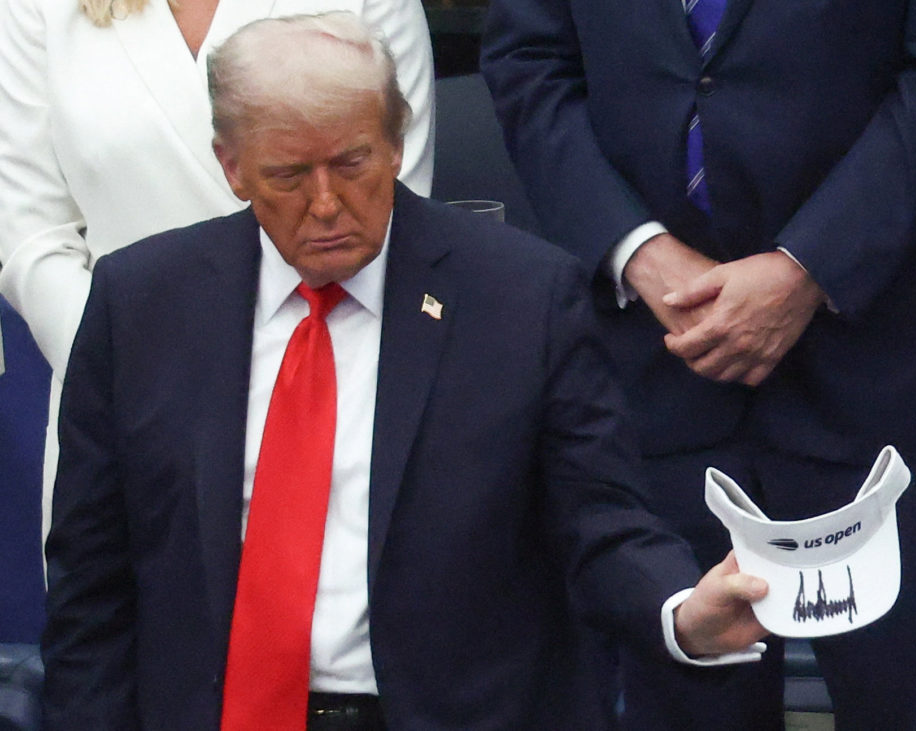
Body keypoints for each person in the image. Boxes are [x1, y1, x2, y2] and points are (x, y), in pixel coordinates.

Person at [42, 13, 771, 729]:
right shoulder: (140, 306)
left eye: (352, 164)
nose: (326, 204)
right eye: (288, 175)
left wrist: (681, 613)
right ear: (232, 167)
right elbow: (91, 590)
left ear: (396, 142)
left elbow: (599, 521)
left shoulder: (521, 298)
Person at [481, 0, 916, 728]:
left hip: (886, 362)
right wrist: (638, 250)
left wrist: (809, 266)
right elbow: (527, 61)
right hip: (656, 363)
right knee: (681, 706)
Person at [0, 0, 435, 546]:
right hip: (129, 417)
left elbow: (388, 205)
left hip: (332, 399)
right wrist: (130, 377)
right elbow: (31, 231)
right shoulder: (34, 9)